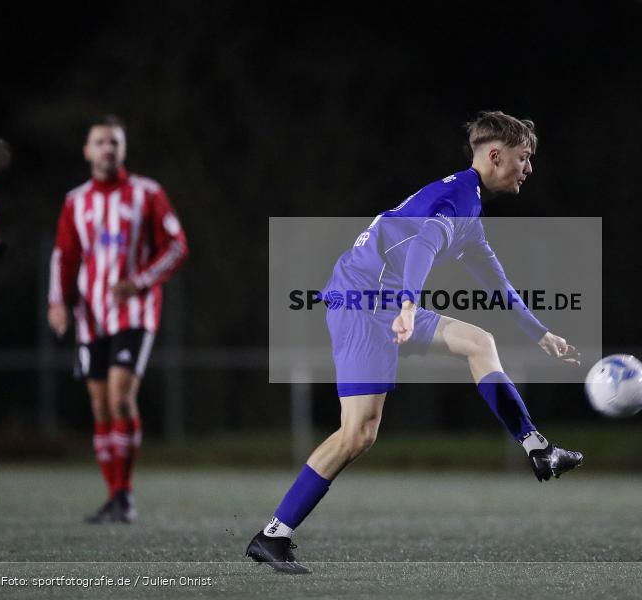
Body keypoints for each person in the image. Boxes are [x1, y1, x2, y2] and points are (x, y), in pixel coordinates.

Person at [246, 111, 583, 573]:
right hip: (363, 301)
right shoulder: (458, 197)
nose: (528, 168)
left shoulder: (469, 208)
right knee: (357, 433)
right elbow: (424, 243)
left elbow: (498, 285)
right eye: (523, 158)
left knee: (478, 342)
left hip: (385, 299)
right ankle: (273, 535)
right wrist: (408, 305)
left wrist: (541, 334)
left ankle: (537, 448)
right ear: (494, 155)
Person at [48, 115, 189, 523]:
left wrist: (139, 281)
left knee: (120, 398)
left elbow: (177, 246)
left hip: (135, 312)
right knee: (99, 406)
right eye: (100, 142)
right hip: (91, 315)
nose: (108, 148)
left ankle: (125, 495)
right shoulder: (76, 201)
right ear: (87, 151)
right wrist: (58, 302)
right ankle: (114, 496)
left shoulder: (147, 193)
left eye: (115, 142)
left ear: (123, 149)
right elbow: (64, 255)